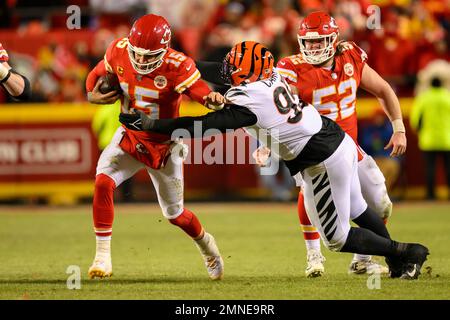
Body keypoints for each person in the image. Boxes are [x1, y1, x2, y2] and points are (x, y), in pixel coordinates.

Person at [119, 41, 429, 280]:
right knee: (359, 209)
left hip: (319, 156)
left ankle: (406, 251)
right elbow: (213, 69)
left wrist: (151, 125)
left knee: (335, 239)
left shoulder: (248, 101)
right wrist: (172, 59)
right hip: (334, 138)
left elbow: (198, 127)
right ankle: (399, 262)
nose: (227, 70)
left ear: (246, 71)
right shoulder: (272, 77)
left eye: (234, 66)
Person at [85, 14, 224, 280]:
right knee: (103, 181)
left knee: (176, 215)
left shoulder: (177, 64)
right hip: (130, 136)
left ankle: (207, 245)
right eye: (138, 54)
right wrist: (91, 93)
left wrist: (211, 98)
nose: (142, 61)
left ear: (165, 48)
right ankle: (102, 256)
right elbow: (95, 76)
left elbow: (197, 90)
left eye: (150, 56)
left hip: (164, 144)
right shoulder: (118, 50)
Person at [271, 11, 407, 277]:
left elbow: (383, 89)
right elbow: (275, 109)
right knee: (310, 191)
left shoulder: (351, 57)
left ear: (333, 40)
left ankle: (362, 260)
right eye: (308, 42)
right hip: (315, 149)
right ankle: (313, 255)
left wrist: (399, 127)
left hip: (350, 146)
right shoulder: (291, 68)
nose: (312, 47)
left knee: (381, 203)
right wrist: (266, 143)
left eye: (319, 41)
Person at [410, 77, 450, 200]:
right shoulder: (447, 97)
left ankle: (430, 195)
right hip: (446, 139)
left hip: (428, 139)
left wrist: (417, 130)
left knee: (430, 168)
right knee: (448, 168)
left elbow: (415, 119)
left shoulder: (423, 98)